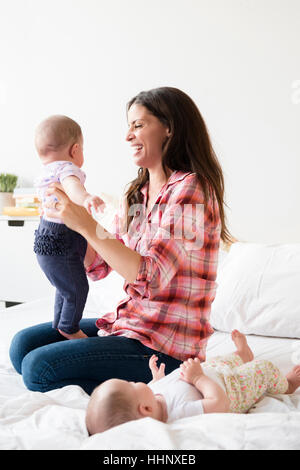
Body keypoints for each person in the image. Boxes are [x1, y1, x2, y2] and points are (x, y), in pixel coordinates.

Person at [9, 87, 232, 395]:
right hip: (128, 325)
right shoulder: (138, 193)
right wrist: (64, 223)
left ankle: (151, 386)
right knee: (22, 346)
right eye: (128, 126)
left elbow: (151, 277)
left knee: (38, 368)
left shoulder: (191, 189)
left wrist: (86, 226)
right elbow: (99, 263)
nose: (128, 136)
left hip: (166, 347)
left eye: (138, 125)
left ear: (170, 128)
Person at [85, 330, 300, 435]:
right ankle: (287, 384)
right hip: (232, 391)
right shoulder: (178, 413)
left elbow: (156, 390)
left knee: (218, 361)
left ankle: (242, 354)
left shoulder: (149, 399)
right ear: (146, 409)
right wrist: (198, 378)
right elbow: (219, 404)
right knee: (261, 369)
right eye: (131, 385)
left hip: (211, 373)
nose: (133, 381)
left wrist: (157, 379)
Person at [33, 115, 104, 339]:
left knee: (64, 288)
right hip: (62, 239)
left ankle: (60, 324)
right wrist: (86, 198)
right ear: (75, 150)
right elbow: (72, 187)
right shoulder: (67, 168)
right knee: (77, 289)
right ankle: (69, 327)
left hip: (44, 238)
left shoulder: (44, 173)